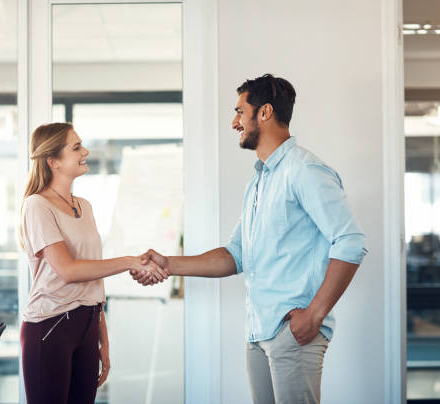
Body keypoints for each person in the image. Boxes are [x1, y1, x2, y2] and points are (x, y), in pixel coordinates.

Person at [131, 74, 367, 404]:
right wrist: (169, 264)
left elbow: (350, 241)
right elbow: (236, 254)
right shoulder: (258, 182)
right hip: (259, 331)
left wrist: (314, 315)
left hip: (292, 331)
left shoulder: (305, 171)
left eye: (240, 112)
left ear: (265, 112)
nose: (234, 122)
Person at [19, 122, 167, 404]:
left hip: (86, 324)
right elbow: (68, 270)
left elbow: (91, 280)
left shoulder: (83, 206)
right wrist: (129, 261)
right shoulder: (37, 205)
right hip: (50, 326)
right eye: (76, 148)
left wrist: (103, 339)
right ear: (53, 161)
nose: (85, 151)